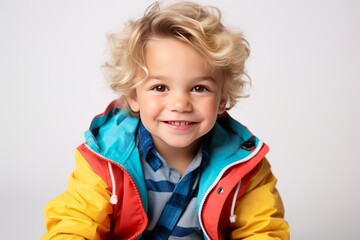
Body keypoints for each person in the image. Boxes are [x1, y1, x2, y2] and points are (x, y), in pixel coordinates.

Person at [42, 1, 290, 239]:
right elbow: (74, 223)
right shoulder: (105, 160)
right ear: (133, 96)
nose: (180, 104)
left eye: (199, 88)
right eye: (160, 87)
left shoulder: (245, 165)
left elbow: (262, 231)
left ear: (222, 99)